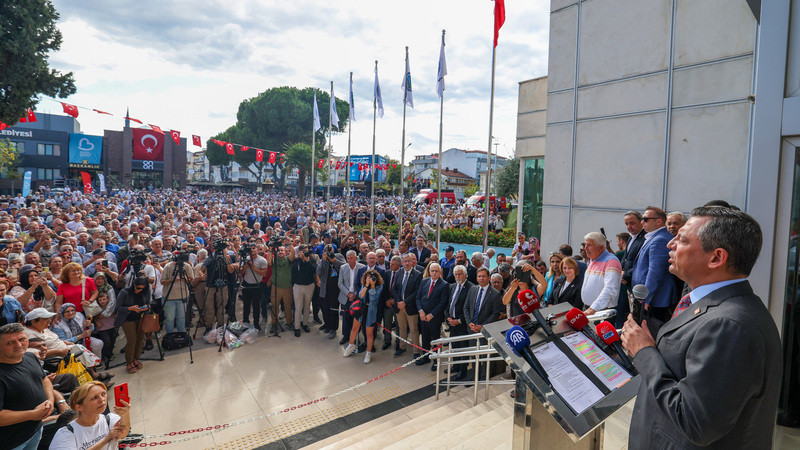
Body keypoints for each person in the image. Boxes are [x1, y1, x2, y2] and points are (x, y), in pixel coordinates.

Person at [622, 207, 782, 449]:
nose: (670, 244)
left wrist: (645, 353)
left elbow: (696, 422)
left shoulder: (728, 325)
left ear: (716, 258)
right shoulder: (717, 307)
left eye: (682, 239)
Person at [0, 322, 54, 450]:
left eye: (22, 339)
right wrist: (33, 414)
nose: (18, 345)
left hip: (34, 431)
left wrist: (50, 401)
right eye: (10, 343)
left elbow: (44, 379)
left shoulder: (30, 357)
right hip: (10, 442)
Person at [49, 381, 131, 450]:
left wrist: (125, 414)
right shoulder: (65, 434)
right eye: (94, 398)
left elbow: (123, 433)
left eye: (103, 394)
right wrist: (106, 439)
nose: (102, 399)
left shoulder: (109, 419)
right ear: (79, 407)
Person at [630, 206, 677, 323]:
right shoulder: (655, 237)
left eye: (645, 219)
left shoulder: (659, 239)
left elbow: (655, 272)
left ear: (658, 221)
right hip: (654, 297)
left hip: (657, 299)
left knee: (653, 331)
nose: (642, 222)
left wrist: (646, 299)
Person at [343, 269, 384, 364]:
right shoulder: (364, 284)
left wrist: (373, 286)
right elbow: (361, 296)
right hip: (361, 310)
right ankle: (350, 346)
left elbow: (374, 299)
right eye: (368, 277)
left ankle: (368, 353)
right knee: (354, 328)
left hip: (371, 312)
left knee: (369, 334)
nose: (370, 279)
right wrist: (366, 285)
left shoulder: (379, 286)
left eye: (372, 278)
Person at [415, 263, 449, 368]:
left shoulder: (444, 284)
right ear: (429, 271)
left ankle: (435, 361)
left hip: (435, 318)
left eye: (436, 271)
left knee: (435, 339)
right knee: (425, 338)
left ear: (440, 272)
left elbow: (443, 302)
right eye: (432, 270)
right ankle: (425, 357)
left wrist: (432, 314)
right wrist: (420, 310)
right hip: (423, 316)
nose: (434, 273)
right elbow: (418, 298)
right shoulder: (424, 281)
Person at [114, 278, 151, 374]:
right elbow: (118, 308)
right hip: (127, 319)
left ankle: (135, 358)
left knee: (140, 338)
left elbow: (148, 302)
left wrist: (146, 307)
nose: (139, 290)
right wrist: (131, 308)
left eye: (142, 288)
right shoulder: (124, 292)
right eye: (138, 288)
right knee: (132, 339)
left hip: (141, 317)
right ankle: (129, 362)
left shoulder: (146, 291)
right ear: (134, 284)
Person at [580, 232, 621, 315]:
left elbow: (611, 288)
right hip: (589, 309)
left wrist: (593, 308)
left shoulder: (611, 261)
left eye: (589, 245)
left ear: (601, 247)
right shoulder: (592, 259)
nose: (585, 248)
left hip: (600, 311)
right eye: (585, 245)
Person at [446, 265, 473, 380]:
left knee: (463, 348)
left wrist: (459, 320)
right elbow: (448, 304)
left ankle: (463, 370)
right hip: (452, 323)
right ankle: (456, 365)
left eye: (460, 274)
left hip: (462, 324)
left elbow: (470, 308)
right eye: (456, 274)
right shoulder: (452, 286)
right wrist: (448, 317)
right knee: (454, 345)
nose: (457, 276)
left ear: (465, 275)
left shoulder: (471, 288)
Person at [391, 253, 421, 359]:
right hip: (399, 308)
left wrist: (405, 302)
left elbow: (417, 292)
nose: (407, 263)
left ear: (412, 262)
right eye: (405, 261)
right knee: (402, 329)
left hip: (411, 307)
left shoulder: (418, 274)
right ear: (402, 263)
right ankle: (402, 347)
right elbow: (394, 289)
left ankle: (416, 351)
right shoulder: (399, 273)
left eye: (409, 261)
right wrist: (399, 302)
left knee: (413, 330)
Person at [160, 256, 194, 334]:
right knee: (169, 318)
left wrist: (184, 278)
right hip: (169, 297)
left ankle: (181, 334)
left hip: (183, 296)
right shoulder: (168, 266)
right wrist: (172, 280)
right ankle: (169, 335)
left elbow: (191, 279)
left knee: (181, 317)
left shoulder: (187, 266)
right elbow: (162, 282)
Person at [337, 251, 364, 346]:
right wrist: (349, 294)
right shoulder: (343, 267)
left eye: (351, 258)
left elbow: (362, 284)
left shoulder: (361, 268)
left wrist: (355, 294)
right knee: (345, 317)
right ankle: (345, 336)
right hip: (345, 296)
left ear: (355, 258)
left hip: (356, 297)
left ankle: (355, 337)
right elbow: (340, 283)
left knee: (356, 318)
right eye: (347, 258)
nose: (349, 260)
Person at [316, 246, 343, 339]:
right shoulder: (323, 259)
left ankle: (333, 329)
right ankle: (327, 324)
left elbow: (344, 266)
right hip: (325, 288)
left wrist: (334, 260)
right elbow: (318, 272)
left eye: (330, 251)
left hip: (335, 288)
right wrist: (323, 261)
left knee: (334, 309)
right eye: (326, 252)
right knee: (325, 308)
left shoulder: (338, 256)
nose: (328, 254)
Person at [237, 244, 266, 330]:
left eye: (254, 248)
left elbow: (264, 273)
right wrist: (245, 267)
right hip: (246, 284)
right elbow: (240, 273)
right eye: (250, 249)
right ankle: (245, 321)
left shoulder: (262, 260)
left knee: (256, 306)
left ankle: (256, 323)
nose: (252, 250)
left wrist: (253, 268)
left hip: (257, 285)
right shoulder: (245, 259)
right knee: (246, 305)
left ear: (257, 249)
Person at [290, 245, 316, 337]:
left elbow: (314, 270)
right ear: (300, 252)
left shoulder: (311, 260)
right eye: (303, 251)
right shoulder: (296, 260)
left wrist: (307, 261)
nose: (305, 253)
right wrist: (300, 260)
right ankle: (297, 327)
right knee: (298, 307)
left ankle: (305, 324)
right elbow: (294, 272)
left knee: (307, 306)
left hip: (309, 285)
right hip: (298, 286)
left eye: (306, 251)